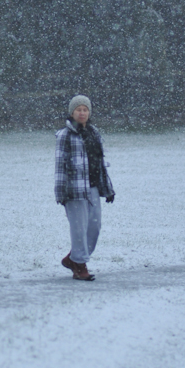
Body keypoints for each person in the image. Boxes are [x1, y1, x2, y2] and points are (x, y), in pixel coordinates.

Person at [55, 94, 115, 281]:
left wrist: (108, 188)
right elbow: (60, 165)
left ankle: (73, 258)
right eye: (79, 109)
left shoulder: (94, 133)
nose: (82, 112)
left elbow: (99, 161)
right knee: (79, 228)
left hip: (93, 187)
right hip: (74, 190)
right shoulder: (65, 135)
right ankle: (80, 266)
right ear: (72, 113)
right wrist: (61, 192)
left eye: (85, 109)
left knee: (94, 227)